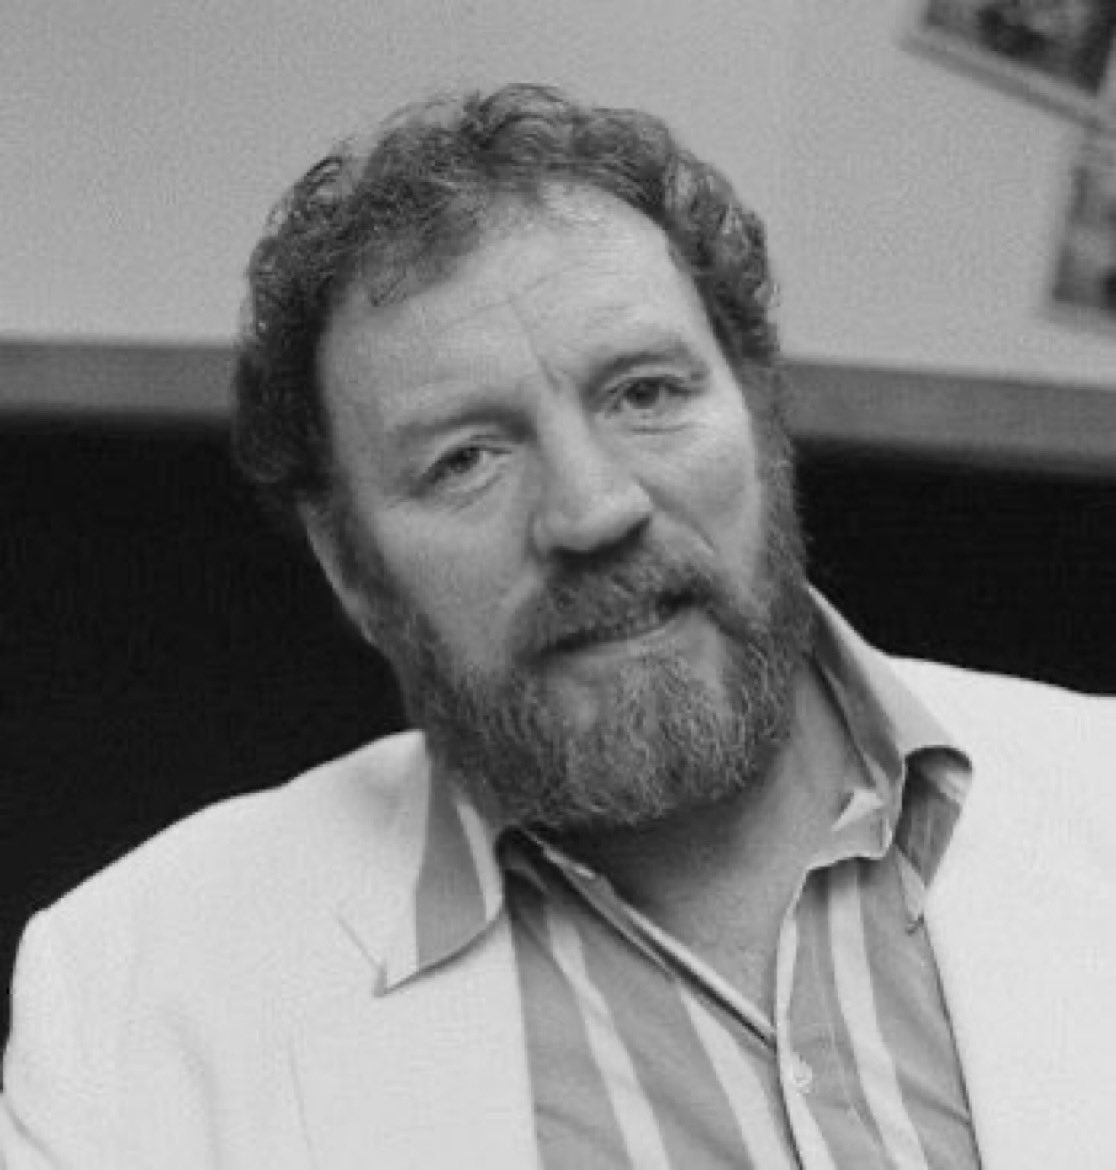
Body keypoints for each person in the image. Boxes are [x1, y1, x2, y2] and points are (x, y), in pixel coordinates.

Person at [2, 83, 1114, 1170]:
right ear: (351, 568)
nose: (592, 511)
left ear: (761, 417)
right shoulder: (130, 1001)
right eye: (465, 460)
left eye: (646, 393)